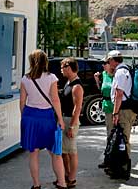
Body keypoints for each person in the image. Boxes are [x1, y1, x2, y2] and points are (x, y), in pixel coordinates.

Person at [20, 50, 67, 189]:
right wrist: (60, 119)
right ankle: (62, 183)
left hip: (30, 116)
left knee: (33, 153)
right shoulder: (51, 77)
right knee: (55, 152)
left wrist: (25, 117)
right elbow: (55, 100)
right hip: (46, 117)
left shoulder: (25, 79)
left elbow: (22, 101)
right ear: (45, 61)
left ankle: (36, 185)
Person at [59, 58, 84, 189]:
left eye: (62, 67)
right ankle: (67, 175)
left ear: (69, 68)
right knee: (64, 151)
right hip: (65, 119)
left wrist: (72, 126)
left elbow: (77, 108)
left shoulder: (77, 86)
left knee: (71, 151)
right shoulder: (68, 82)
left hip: (70, 120)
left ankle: (72, 178)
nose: (61, 70)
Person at [107, 50, 137, 156]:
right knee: (123, 138)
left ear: (112, 60)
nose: (108, 63)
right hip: (126, 108)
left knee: (124, 138)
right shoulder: (125, 69)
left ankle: (124, 166)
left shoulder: (120, 72)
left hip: (124, 110)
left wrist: (115, 113)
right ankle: (122, 164)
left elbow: (119, 94)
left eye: (108, 61)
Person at [94, 57, 115, 168]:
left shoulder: (117, 75)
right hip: (107, 109)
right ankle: (108, 159)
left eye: (105, 63)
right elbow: (101, 90)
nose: (103, 65)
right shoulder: (104, 74)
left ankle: (118, 160)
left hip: (117, 109)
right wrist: (97, 80)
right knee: (109, 135)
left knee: (119, 136)